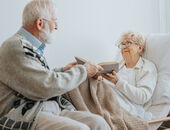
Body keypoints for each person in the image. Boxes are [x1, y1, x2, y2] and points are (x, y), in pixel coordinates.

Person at [0, 0, 111, 130]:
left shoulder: (29, 46)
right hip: (24, 112)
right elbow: (44, 86)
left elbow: (34, 77)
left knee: (99, 122)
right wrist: (84, 71)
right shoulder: (16, 46)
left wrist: (64, 70)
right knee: (80, 129)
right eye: (54, 22)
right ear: (40, 23)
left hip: (44, 107)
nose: (56, 27)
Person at [101, 31, 157, 120]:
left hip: (131, 108)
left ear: (140, 48)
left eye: (128, 43)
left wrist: (117, 82)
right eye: (122, 44)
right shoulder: (117, 66)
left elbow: (142, 97)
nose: (124, 47)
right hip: (110, 101)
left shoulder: (147, 67)